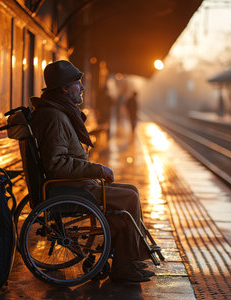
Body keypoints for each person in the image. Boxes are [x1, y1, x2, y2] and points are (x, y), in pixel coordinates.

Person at [30, 60, 154, 282]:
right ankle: (127, 265)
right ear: (64, 89)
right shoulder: (54, 117)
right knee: (129, 196)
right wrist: (97, 169)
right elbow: (57, 164)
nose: (82, 88)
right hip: (71, 188)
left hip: (76, 185)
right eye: (77, 83)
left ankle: (129, 261)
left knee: (130, 193)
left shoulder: (58, 111)